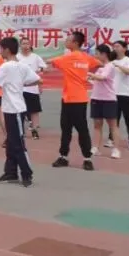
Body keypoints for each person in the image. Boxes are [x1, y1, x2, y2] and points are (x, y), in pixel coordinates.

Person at [0, 37, 39, 186]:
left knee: (17, 143)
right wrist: (20, 83)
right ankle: (10, 172)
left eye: (1, 49)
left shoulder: (6, 67)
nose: (0, 52)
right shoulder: (21, 66)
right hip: (12, 108)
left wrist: (12, 83)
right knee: (11, 142)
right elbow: (37, 80)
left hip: (15, 109)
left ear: (7, 50)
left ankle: (26, 173)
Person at [49, 31, 95, 171]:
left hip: (73, 99)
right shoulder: (87, 58)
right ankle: (85, 159)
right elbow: (100, 62)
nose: (66, 41)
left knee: (67, 130)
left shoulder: (67, 58)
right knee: (81, 130)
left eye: (68, 40)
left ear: (75, 43)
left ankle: (66, 156)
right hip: (76, 99)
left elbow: (50, 61)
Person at [86, 44, 121, 160]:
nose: (95, 56)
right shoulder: (100, 68)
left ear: (104, 54)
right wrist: (90, 78)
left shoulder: (110, 66)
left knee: (112, 125)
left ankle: (116, 149)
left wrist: (90, 74)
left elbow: (102, 78)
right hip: (96, 98)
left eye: (96, 53)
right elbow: (97, 81)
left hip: (109, 99)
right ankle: (95, 147)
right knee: (97, 124)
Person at [110, 41, 129, 151]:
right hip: (114, 94)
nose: (115, 48)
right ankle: (112, 139)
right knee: (114, 119)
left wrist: (117, 65)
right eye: (114, 46)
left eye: (117, 46)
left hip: (127, 94)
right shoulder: (112, 61)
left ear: (124, 48)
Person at [16, 42, 46, 140]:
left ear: (30, 45)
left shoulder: (35, 57)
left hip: (32, 88)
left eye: (27, 44)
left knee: (34, 110)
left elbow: (44, 68)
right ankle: (20, 131)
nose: (25, 46)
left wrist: (39, 76)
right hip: (19, 88)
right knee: (19, 110)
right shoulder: (17, 57)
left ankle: (35, 130)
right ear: (20, 46)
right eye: (23, 44)